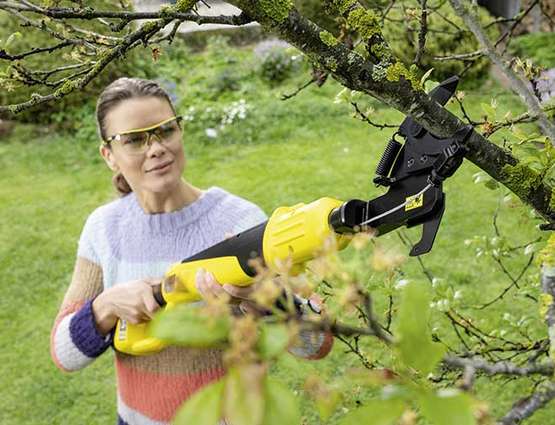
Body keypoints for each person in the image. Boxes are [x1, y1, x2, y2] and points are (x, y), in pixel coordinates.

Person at [50, 77, 333, 425]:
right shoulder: (103, 228)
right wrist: (106, 306)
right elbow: (64, 354)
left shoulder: (241, 221)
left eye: (165, 130)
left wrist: (261, 297)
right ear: (109, 155)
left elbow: (316, 344)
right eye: (135, 140)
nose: (155, 148)